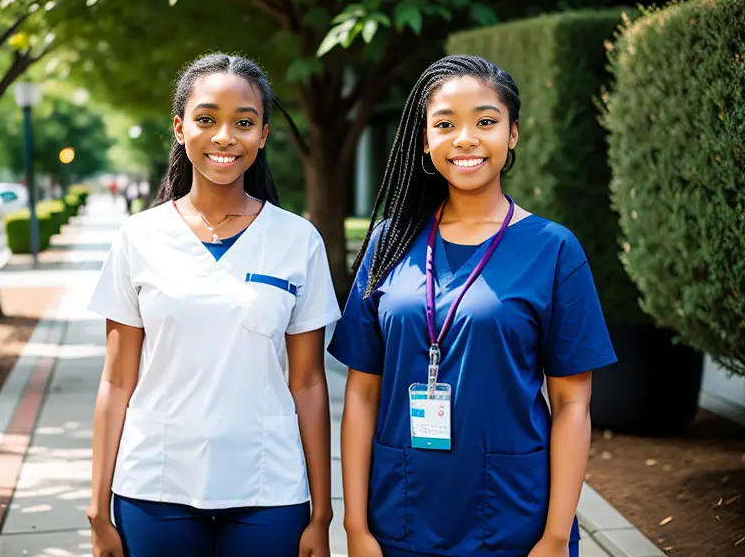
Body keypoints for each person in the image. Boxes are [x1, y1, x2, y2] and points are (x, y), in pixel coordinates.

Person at [330, 55, 617, 557]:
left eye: (486, 121)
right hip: (399, 517)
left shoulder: (553, 249)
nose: (465, 138)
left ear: (513, 135)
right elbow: (361, 396)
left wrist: (553, 536)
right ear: (424, 140)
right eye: (445, 124)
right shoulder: (388, 244)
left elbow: (573, 404)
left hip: (516, 521)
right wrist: (356, 527)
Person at [87, 53, 340, 557]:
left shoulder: (298, 240)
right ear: (181, 129)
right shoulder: (139, 237)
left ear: (263, 135)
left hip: (270, 489)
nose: (225, 136)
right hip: (154, 487)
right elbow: (117, 379)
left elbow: (309, 383)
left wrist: (322, 511)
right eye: (207, 119)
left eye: (243, 122)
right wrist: (97, 507)